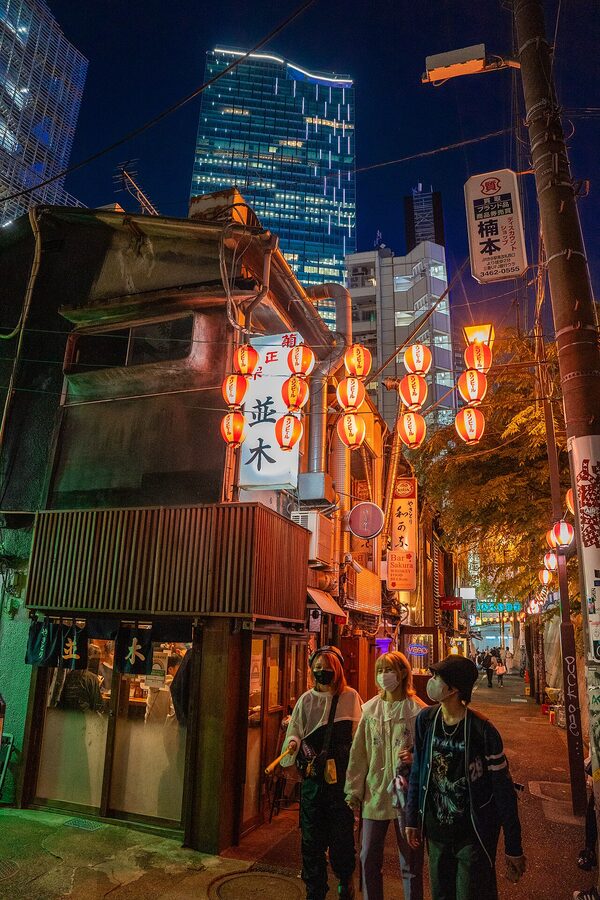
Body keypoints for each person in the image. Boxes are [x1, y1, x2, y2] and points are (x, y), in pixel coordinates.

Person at [405, 656, 526, 900]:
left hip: (471, 834)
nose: (431, 682)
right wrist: (412, 818)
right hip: (436, 833)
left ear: (453, 688)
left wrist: (513, 847)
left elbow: (503, 791)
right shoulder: (426, 721)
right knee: (440, 894)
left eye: (437, 677)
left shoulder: (483, 730)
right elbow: (419, 771)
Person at [281, 646, 362, 900]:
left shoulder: (351, 697)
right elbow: (295, 731)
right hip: (314, 781)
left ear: (336, 670)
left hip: (341, 785)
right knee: (311, 841)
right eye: (316, 669)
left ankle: (344, 879)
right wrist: (293, 743)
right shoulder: (306, 700)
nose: (321, 673)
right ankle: (314, 891)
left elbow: (358, 740)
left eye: (326, 668)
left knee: (341, 839)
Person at [345, 651, 426, 900]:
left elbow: (431, 752)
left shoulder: (419, 711)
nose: (383, 676)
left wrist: (417, 759)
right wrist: (353, 790)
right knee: (368, 856)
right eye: (379, 671)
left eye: (388, 670)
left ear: (402, 673)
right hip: (375, 791)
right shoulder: (370, 710)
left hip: (407, 796)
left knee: (411, 861)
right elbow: (359, 754)